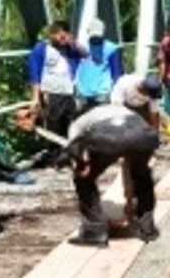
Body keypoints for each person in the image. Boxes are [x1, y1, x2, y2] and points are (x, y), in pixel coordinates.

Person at [65, 104, 161, 247]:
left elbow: (74, 149)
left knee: (83, 179)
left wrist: (82, 165)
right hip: (142, 135)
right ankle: (148, 228)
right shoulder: (121, 109)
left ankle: (95, 231)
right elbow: (143, 132)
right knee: (142, 176)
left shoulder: (78, 122)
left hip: (108, 138)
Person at [27, 20, 87, 163]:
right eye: (59, 36)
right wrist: (35, 97)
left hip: (69, 92)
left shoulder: (69, 49)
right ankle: (54, 158)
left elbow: (85, 54)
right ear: (52, 34)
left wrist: (72, 42)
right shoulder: (41, 48)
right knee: (54, 125)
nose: (61, 39)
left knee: (71, 124)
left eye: (64, 36)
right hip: (51, 92)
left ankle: (68, 156)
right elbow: (34, 74)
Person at [74, 18, 123, 112]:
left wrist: (116, 92)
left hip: (102, 92)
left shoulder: (112, 48)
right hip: (83, 91)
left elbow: (116, 72)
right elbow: (74, 66)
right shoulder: (81, 47)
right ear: (88, 32)